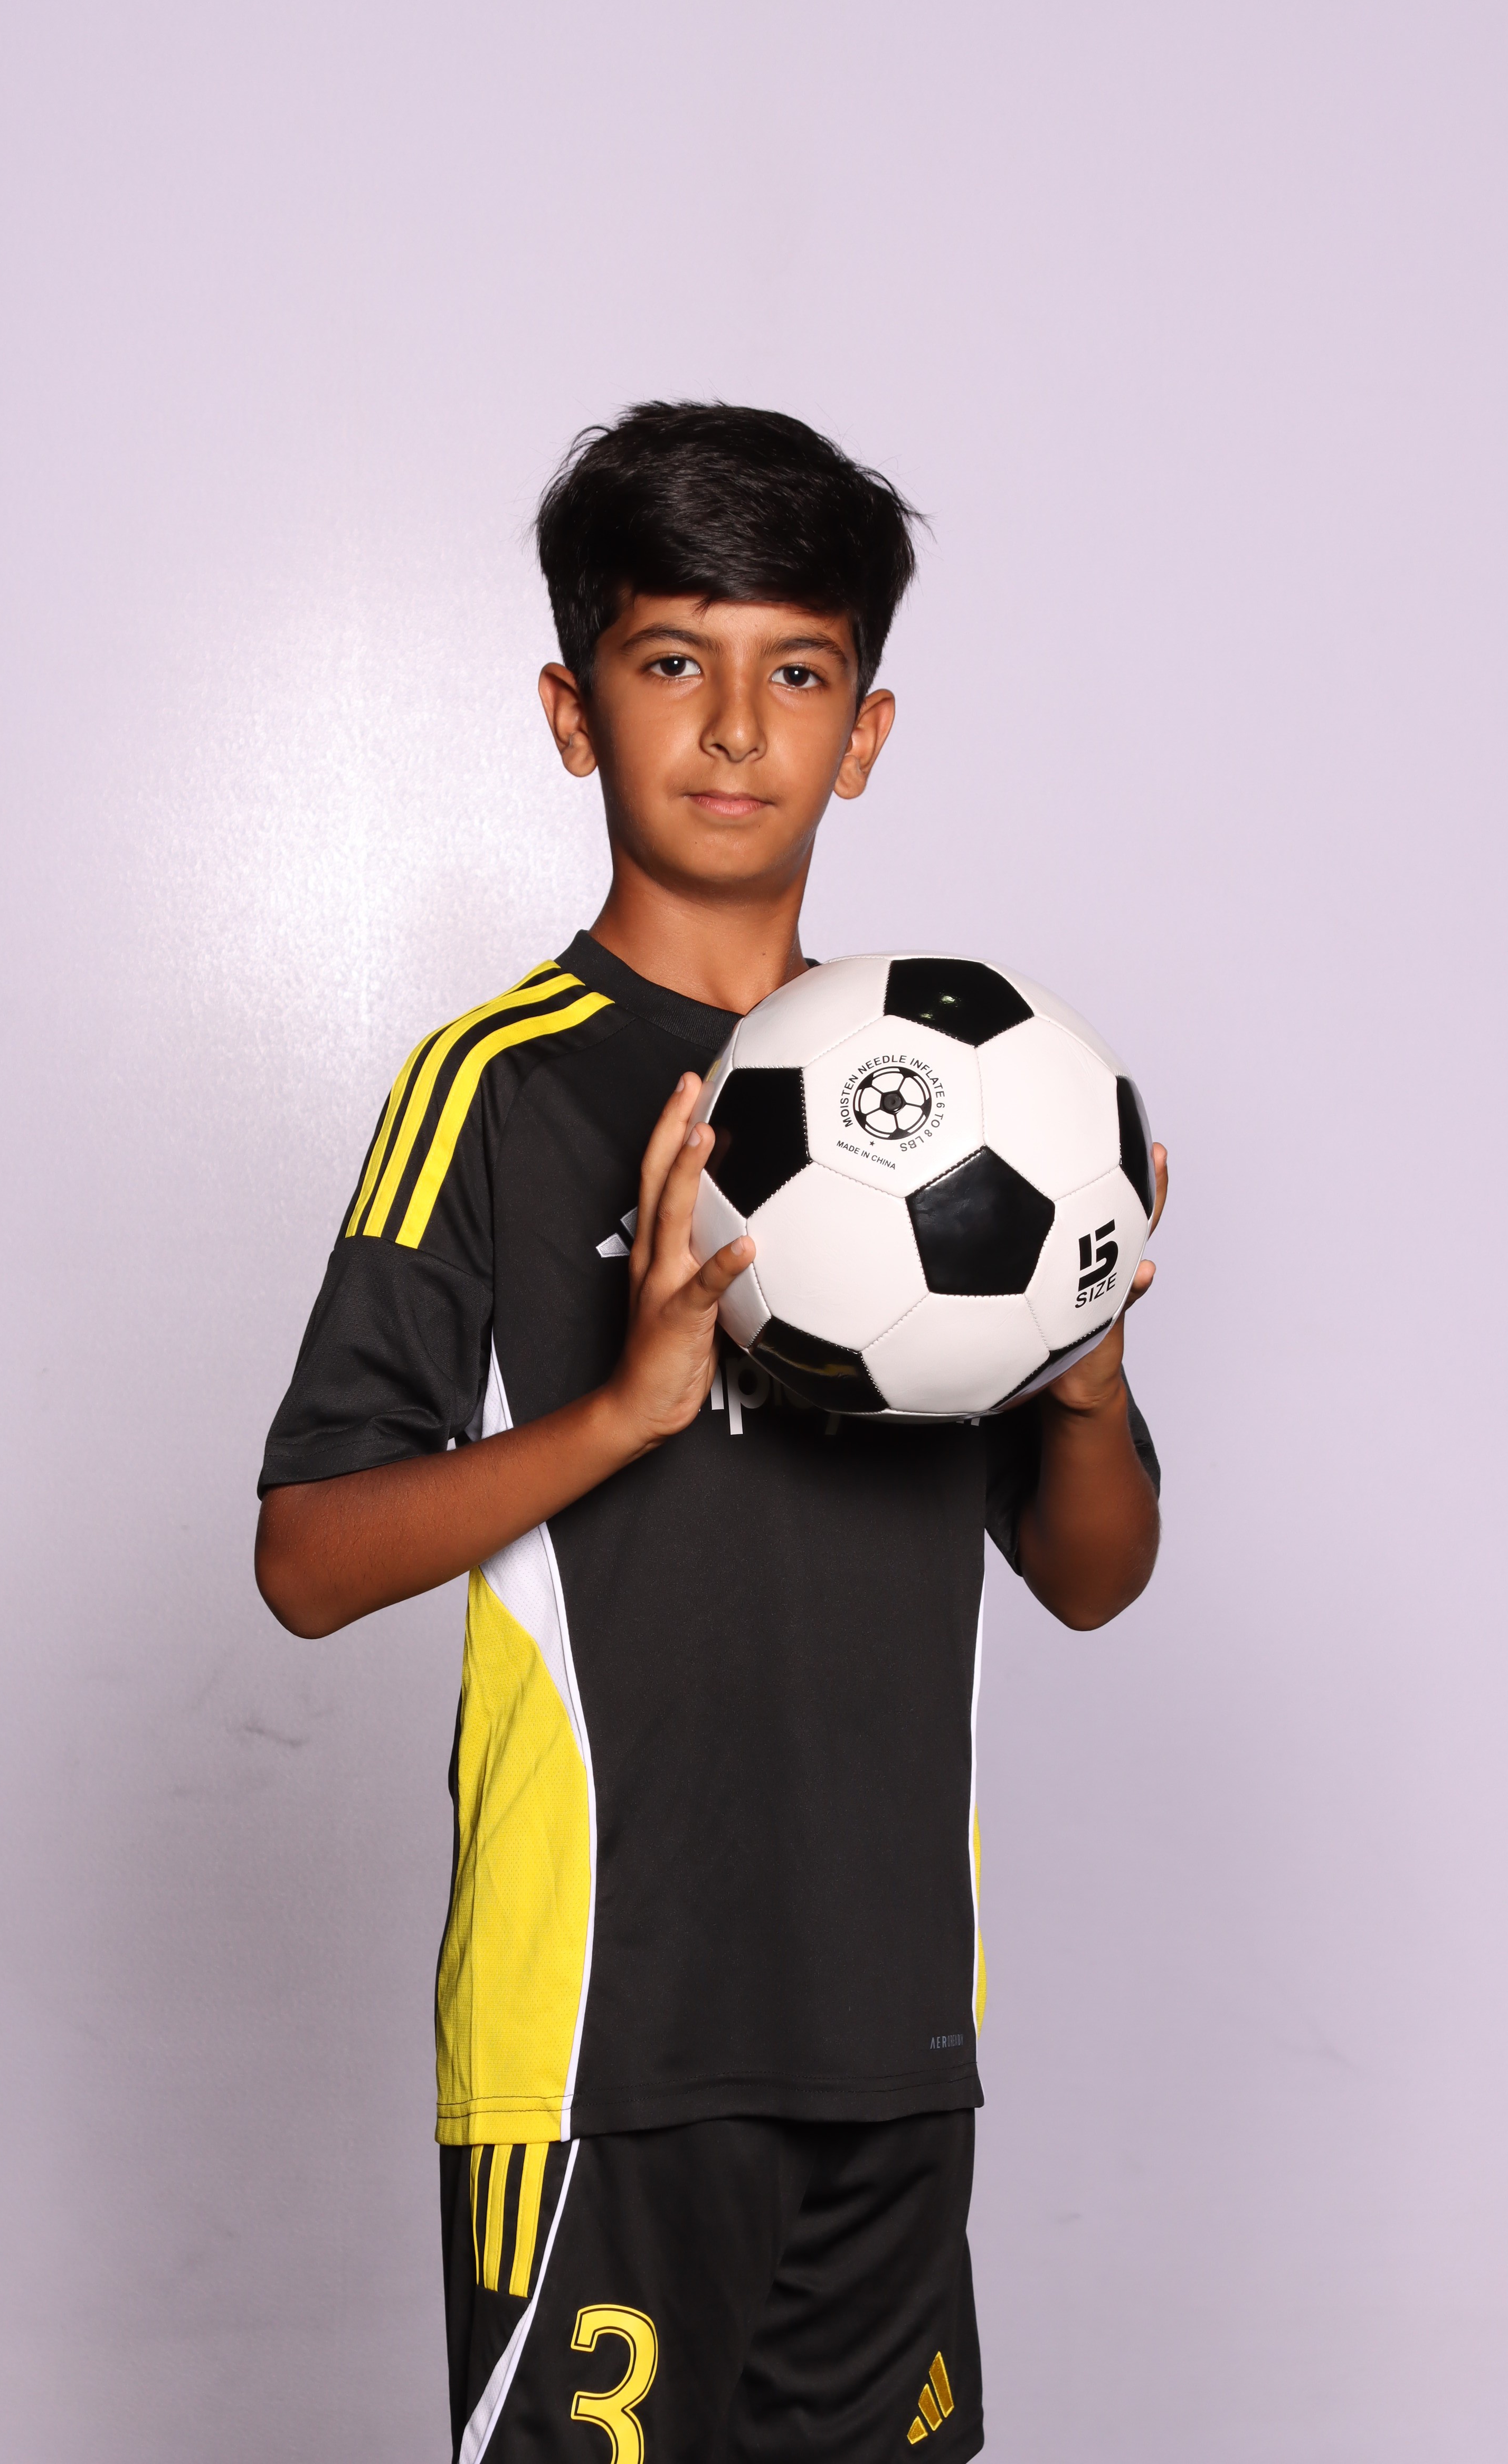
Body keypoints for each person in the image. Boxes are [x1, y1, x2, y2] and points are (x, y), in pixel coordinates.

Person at [255, 401, 1167, 2464]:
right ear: (572, 713)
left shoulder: (974, 1106)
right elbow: (306, 1557)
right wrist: (628, 1408)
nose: (738, 728)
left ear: (866, 731)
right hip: (602, 2043)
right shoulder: (491, 1090)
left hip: (893, 2039)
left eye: (799, 673)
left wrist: (1092, 1374)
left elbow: (1092, 1579)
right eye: (673, 662)